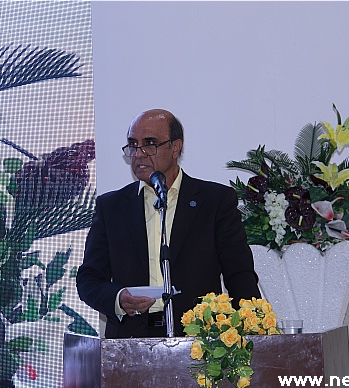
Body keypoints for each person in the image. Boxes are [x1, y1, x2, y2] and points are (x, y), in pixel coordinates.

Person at [76, 109, 261, 338]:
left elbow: (239, 274)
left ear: (175, 147)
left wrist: (253, 332)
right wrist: (118, 298)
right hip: (131, 341)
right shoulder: (111, 207)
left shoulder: (215, 201)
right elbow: (89, 279)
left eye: (149, 143)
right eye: (133, 145)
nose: (139, 154)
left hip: (200, 340)